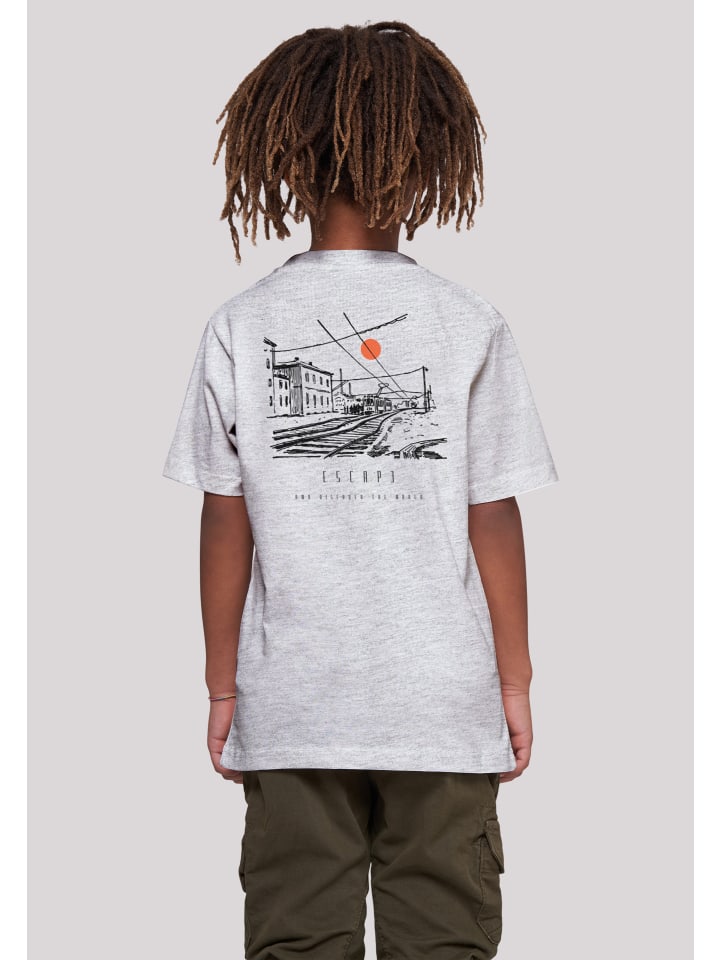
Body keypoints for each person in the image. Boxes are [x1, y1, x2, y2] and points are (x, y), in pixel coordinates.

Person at [162, 20, 559, 960]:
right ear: (426, 159)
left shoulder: (239, 324)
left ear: (283, 160)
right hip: (443, 705)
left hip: (293, 706)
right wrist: (513, 678)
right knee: (445, 937)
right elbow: (493, 518)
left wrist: (222, 686)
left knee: (296, 938)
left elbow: (225, 524)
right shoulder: (468, 321)